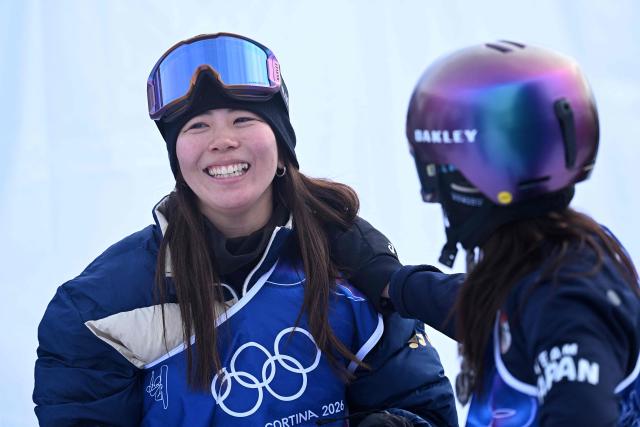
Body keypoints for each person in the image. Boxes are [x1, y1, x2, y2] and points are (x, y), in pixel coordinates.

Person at [32, 33, 457, 426]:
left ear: (281, 140)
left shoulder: (354, 265)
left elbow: (421, 405)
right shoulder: (97, 311)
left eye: (242, 119)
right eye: (198, 126)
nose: (222, 140)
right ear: (176, 155)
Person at [368, 41, 639, 425]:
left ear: (476, 179)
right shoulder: (563, 253)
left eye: (441, 176)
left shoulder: (566, 299)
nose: (437, 198)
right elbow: (498, 308)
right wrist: (396, 285)